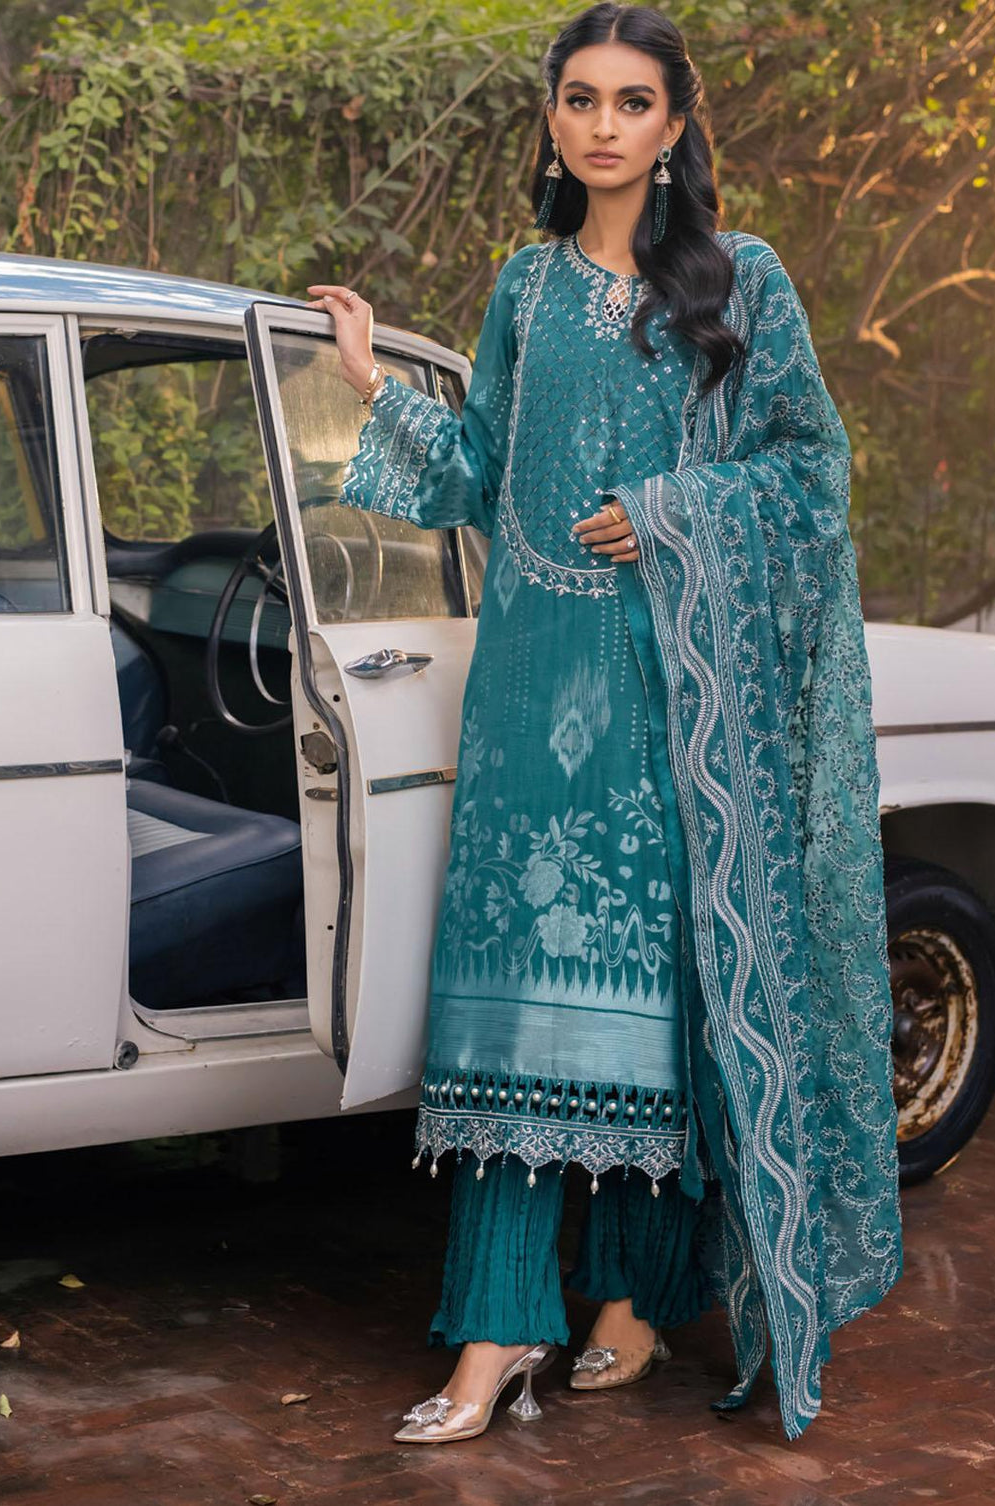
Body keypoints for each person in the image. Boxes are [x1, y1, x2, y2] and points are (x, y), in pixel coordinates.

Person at [306, 1, 903, 1447]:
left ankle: (634, 1300)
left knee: (660, 1008)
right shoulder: (523, 287)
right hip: (529, 691)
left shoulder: (741, 282)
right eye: (580, 98)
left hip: (670, 701)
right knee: (514, 1002)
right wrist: (373, 381)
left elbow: (811, 473)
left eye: (633, 102)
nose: (603, 125)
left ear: (675, 124)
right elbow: (477, 473)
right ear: (552, 119)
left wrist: (675, 512)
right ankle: (503, 1322)